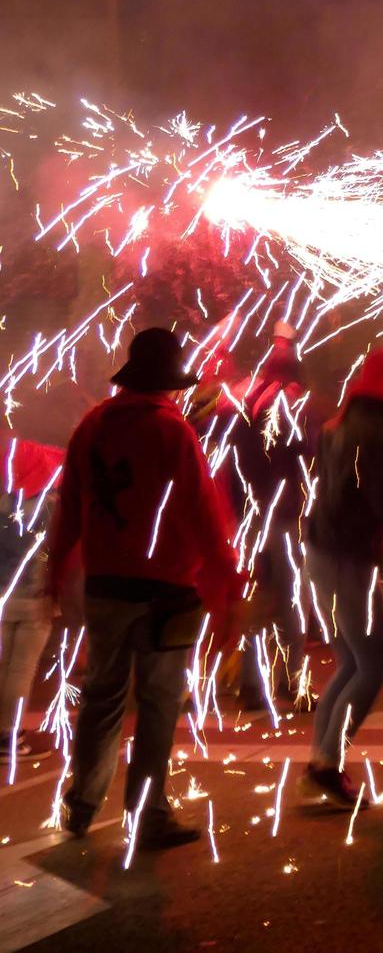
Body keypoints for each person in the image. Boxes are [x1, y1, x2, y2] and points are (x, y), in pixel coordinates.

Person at [48, 328, 242, 849]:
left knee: (103, 696)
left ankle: (82, 802)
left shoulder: (93, 425)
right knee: (158, 703)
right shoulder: (172, 430)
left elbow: (70, 505)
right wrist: (227, 573)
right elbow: (202, 510)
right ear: (168, 382)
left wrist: (54, 569)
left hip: (106, 583)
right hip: (166, 589)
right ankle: (148, 810)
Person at [299, 347, 383, 806]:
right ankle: (328, 762)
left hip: (321, 551)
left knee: (350, 662)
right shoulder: (380, 435)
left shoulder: (338, 427)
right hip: (348, 558)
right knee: (374, 666)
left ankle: (321, 759)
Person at [234, 320, 313, 711]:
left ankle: (252, 683)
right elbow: (307, 462)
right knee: (291, 601)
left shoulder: (247, 410)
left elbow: (237, 466)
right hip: (286, 516)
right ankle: (294, 683)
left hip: (254, 516)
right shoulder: (295, 411)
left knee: (261, 599)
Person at [0, 439, 65, 762]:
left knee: (4, 666)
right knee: (22, 668)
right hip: (35, 597)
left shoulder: (1, 504)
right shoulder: (50, 507)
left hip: (2, 596)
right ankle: (9, 736)